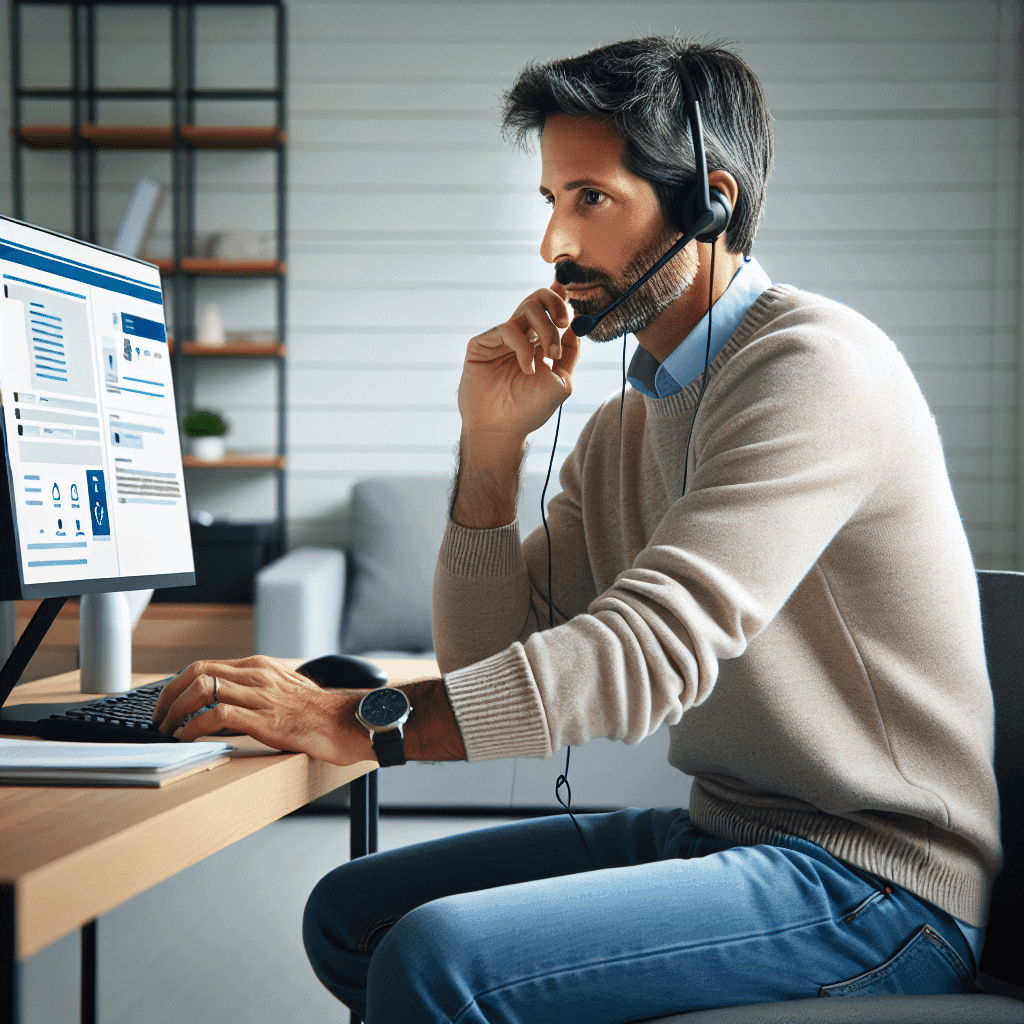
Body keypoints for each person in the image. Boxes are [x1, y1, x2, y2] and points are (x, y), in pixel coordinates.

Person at [152, 37, 1002, 1024]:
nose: (553, 242)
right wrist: (491, 445)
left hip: (876, 884)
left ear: (706, 202)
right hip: (726, 832)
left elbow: (648, 650)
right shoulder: (625, 425)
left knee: (434, 957)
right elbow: (487, 652)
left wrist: (356, 720)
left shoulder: (814, 369)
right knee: (354, 915)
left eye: (588, 197)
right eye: (549, 200)